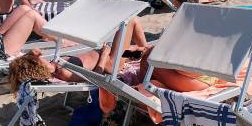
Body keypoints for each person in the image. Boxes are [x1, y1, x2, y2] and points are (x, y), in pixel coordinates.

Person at [8, 17, 148, 86]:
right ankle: (146, 51)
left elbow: (34, 52)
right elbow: (96, 77)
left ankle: (144, 52)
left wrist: (30, 56)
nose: (36, 54)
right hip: (110, 65)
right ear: (35, 65)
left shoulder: (56, 64)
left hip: (109, 56)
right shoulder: (63, 71)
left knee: (136, 51)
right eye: (34, 57)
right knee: (131, 21)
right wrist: (104, 54)